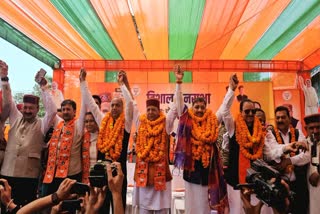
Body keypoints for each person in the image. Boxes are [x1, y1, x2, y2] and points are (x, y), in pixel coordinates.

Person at [173, 66, 237, 213]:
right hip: (191, 171)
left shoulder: (213, 120)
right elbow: (179, 102)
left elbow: (224, 107)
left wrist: (231, 90)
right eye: (197, 107)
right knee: (191, 206)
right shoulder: (187, 119)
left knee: (204, 207)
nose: (200, 110)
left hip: (208, 171)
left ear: (206, 108)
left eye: (202, 107)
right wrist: (178, 82)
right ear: (192, 108)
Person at [0, 60, 57, 208]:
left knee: (26, 209)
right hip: (7, 172)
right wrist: (4, 78)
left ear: (37, 109)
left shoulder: (42, 124)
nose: (27, 110)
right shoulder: (15, 117)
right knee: (6, 208)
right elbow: (8, 99)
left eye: (31, 108)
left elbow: (52, 111)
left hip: (28, 177)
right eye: (25, 107)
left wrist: (43, 87)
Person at [81, 69, 134, 213]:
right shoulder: (104, 120)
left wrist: (122, 85)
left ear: (122, 109)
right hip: (102, 173)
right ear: (109, 107)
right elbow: (92, 104)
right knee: (101, 207)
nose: (115, 107)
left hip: (119, 174)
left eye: (118, 105)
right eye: (113, 105)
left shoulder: (126, 123)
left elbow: (130, 104)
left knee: (118, 205)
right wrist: (83, 82)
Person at [132, 96, 176, 214]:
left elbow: (174, 110)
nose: (150, 112)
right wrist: (124, 85)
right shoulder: (140, 124)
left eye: (154, 110)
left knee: (161, 210)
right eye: (149, 109)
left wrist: (178, 83)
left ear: (159, 111)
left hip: (161, 180)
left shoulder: (166, 125)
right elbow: (133, 105)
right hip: (143, 179)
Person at [264, 106, 310, 214]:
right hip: (279, 185)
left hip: (298, 183)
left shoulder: (298, 133)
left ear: (290, 118)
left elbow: (307, 156)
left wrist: (289, 161)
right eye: (278, 118)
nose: (280, 120)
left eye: (283, 117)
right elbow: (272, 154)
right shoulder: (270, 135)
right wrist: (289, 148)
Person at [223, 99, 265, 214]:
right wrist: (231, 89)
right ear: (241, 112)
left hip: (257, 182)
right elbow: (225, 111)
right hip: (236, 183)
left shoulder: (260, 130)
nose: (250, 114)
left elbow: (269, 151)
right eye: (247, 111)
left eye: (253, 111)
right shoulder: (233, 127)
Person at [42, 98, 86, 195]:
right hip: (54, 173)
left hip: (72, 174)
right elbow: (51, 110)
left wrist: (83, 83)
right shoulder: (59, 124)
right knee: (53, 204)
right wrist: (43, 88)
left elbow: (84, 107)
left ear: (74, 111)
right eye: (63, 109)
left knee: (68, 205)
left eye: (68, 109)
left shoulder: (78, 125)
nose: (65, 112)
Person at [304, 113, 320, 214]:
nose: (315, 131)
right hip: (309, 190)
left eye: (318, 127)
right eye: (311, 128)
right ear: (306, 129)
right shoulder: (303, 144)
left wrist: (318, 173)